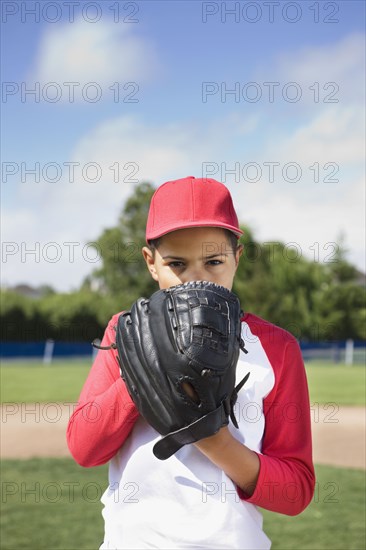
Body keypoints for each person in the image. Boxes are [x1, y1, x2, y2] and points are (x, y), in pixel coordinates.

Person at [67, 176, 315, 550]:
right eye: (177, 263)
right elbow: (85, 450)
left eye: (214, 261)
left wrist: (214, 440)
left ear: (237, 257)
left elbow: (296, 492)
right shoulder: (125, 332)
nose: (197, 277)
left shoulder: (276, 346)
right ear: (151, 263)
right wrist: (144, 374)